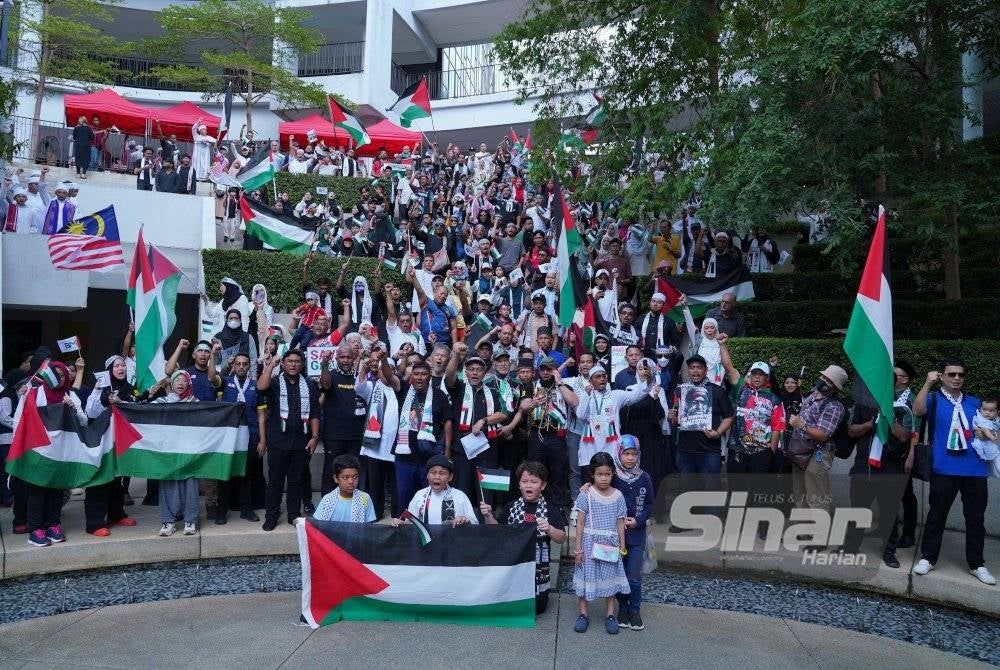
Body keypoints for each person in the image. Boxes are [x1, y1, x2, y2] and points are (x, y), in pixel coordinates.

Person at [912, 359, 995, 585]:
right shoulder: (934, 399)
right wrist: (927, 384)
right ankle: (928, 558)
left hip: (975, 469)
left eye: (960, 375)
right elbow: (917, 410)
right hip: (944, 468)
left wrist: (985, 433)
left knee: (975, 519)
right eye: (952, 374)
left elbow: (992, 425)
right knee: (936, 515)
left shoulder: (975, 402)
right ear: (943, 376)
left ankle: (977, 564)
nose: (957, 378)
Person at [480, 461, 567, 614]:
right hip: (515, 557)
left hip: (539, 561)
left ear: (543, 485)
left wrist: (549, 528)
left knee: (539, 608)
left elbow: (561, 538)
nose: (528, 485)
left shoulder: (550, 508)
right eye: (524, 481)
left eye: (534, 482)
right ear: (519, 484)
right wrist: (488, 516)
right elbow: (497, 530)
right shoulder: (511, 506)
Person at [18, 361, 84, 547]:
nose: (59, 378)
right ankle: (35, 530)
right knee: (38, 491)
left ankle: (53, 525)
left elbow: (83, 420)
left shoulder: (69, 395)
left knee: (56, 491)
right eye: (55, 374)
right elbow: (20, 420)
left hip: (60, 453)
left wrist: (72, 408)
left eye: (62, 375)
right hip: (39, 452)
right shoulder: (34, 394)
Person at [258, 350, 321, 531]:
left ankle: (293, 514)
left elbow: (316, 412)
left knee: (296, 480)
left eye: (297, 362)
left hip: (301, 441)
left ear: (302, 365)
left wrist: (315, 437)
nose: (293, 365)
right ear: (283, 364)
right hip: (278, 440)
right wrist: (271, 365)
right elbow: (261, 387)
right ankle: (271, 515)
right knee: (275, 481)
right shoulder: (275, 382)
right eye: (289, 361)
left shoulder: (309, 385)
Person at [667, 355, 735, 524]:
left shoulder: (717, 391)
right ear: (688, 371)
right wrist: (671, 417)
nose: (695, 371)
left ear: (705, 370)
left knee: (712, 486)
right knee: (687, 487)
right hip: (685, 449)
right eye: (692, 368)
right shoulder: (680, 390)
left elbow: (729, 417)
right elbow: (675, 418)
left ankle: (713, 522)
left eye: (699, 368)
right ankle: (687, 521)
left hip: (709, 449)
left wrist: (718, 433)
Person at [382, 360, 453, 513]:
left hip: (428, 457)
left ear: (429, 377)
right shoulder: (404, 389)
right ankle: (403, 530)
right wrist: (383, 359)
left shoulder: (439, 395)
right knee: (404, 499)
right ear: (412, 376)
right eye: (416, 374)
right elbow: (389, 376)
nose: (419, 377)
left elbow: (447, 423)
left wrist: (447, 450)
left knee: (428, 500)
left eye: (423, 374)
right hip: (405, 457)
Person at [444, 345, 510, 508]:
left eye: (478, 370)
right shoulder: (459, 388)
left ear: (485, 373)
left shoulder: (493, 392)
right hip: (462, 449)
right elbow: (449, 375)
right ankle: (462, 525)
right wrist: (455, 355)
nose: (475, 373)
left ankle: (487, 526)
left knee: (486, 492)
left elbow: (504, 413)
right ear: (465, 372)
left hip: (487, 449)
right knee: (462, 490)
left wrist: (484, 421)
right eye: (471, 369)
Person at [572, 452, 629, 635]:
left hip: (610, 545)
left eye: (607, 474)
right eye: (599, 474)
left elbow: (621, 522)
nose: (603, 478)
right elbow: (580, 523)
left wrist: (622, 546)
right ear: (592, 474)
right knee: (586, 576)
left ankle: (610, 615)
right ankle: (583, 614)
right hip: (589, 544)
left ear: (613, 473)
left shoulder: (619, 496)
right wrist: (578, 549)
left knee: (609, 578)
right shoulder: (586, 494)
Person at [83, 355, 138, 536]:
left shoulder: (130, 389)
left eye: (123, 365)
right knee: (100, 480)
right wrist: (99, 391)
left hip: (119, 442)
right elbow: (90, 412)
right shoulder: (101, 388)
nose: (121, 368)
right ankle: (95, 522)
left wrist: (123, 404)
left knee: (117, 480)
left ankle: (117, 514)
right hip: (102, 441)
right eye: (117, 366)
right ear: (109, 371)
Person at [785, 365, 847, 516]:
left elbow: (823, 434)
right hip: (800, 450)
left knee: (816, 497)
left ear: (835, 387)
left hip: (818, 453)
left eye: (828, 380)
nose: (823, 380)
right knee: (800, 493)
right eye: (824, 377)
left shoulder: (834, 406)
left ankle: (819, 536)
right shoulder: (813, 395)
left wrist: (801, 425)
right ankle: (803, 531)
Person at [611, 435, 652, 630]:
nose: (630, 458)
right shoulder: (613, 477)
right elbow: (599, 488)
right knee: (619, 574)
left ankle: (635, 610)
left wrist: (638, 520)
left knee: (634, 576)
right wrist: (586, 486)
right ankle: (623, 608)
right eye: (626, 454)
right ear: (619, 454)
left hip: (637, 536)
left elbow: (650, 504)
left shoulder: (644, 477)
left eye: (633, 454)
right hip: (617, 537)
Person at [152, 370, 200, 537]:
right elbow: (141, 411)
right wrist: (120, 403)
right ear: (171, 384)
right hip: (169, 451)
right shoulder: (161, 402)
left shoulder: (195, 403)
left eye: (184, 380)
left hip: (189, 451)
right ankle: (168, 521)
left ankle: (190, 520)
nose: (180, 383)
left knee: (190, 484)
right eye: (176, 380)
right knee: (168, 484)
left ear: (188, 383)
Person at [217, 353, 260, 524]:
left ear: (249, 366)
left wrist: (261, 439)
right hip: (228, 434)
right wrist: (215, 354)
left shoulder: (255, 386)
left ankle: (246, 510)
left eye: (245, 364)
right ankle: (222, 511)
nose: (241, 367)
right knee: (225, 473)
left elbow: (261, 413)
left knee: (245, 474)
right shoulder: (225, 383)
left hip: (249, 434)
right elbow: (213, 377)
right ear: (233, 366)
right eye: (238, 364)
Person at [319, 347, 365, 495]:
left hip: (355, 435)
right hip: (334, 435)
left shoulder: (360, 377)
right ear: (337, 359)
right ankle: (327, 505)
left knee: (353, 472)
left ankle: (351, 504)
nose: (345, 360)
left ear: (354, 359)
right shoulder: (330, 375)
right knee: (331, 470)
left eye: (348, 357)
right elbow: (325, 385)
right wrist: (324, 364)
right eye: (342, 357)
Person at [391, 454, 478, 526]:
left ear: (450, 477)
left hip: (453, 543)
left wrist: (465, 520)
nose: (437, 477)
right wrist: (400, 523)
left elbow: (474, 523)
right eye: (433, 472)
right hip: (425, 545)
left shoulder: (460, 496)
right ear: (427, 475)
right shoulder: (419, 495)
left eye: (442, 473)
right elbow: (410, 522)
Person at [312, 455, 376, 523]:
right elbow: (319, 526)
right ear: (336, 478)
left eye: (355, 477)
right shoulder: (327, 500)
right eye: (345, 477)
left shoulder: (365, 498)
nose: (351, 482)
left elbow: (369, 526)